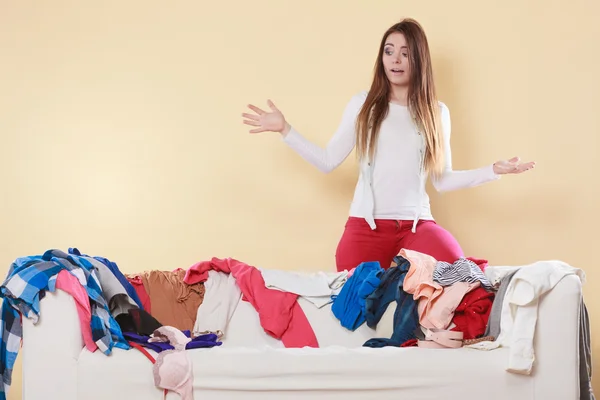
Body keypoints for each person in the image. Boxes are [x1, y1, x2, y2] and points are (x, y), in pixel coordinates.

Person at [241, 18, 535, 272]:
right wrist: (285, 129)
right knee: (356, 313)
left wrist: (494, 170)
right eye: (389, 51)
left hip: (417, 227)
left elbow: (442, 180)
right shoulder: (363, 105)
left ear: (418, 60)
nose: (395, 60)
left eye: (405, 54)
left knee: (460, 276)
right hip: (365, 228)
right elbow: (328, 161)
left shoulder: (436, 112)